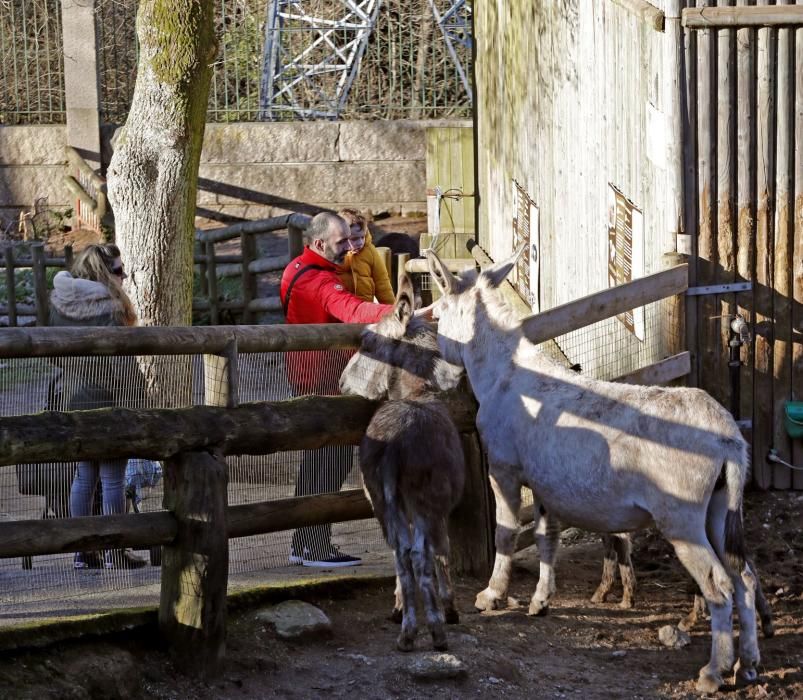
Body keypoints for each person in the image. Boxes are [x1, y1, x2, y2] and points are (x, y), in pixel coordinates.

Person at [280, 212, 396, 568]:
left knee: (317, 461)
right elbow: (352, 309)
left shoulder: (297, 267)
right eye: (341, 242)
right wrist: (405, 312)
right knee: (329, 462)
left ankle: (304, 543)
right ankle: (315, 546)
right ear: (319, 243)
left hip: (308, 376)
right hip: (325, 381)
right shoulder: (317, 281)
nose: (350, 248)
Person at [49, 243, 147, 570]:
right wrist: (139, 408)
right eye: (119, 271)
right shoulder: (111, 308)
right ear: (105, 273)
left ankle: (84, 550)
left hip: (72, 398)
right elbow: (124, 367)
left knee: (84, 475)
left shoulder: (60, 303)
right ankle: (116, 549)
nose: (124, 277)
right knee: (113, 480)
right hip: (108, 400)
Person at [336, 208, 395, 304]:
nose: (360, 242)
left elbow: (382, 283)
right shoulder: (335, 253)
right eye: (354, 239)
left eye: (362, 237)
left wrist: (390, 309)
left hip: (365, 309)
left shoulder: (370, 251)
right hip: (342, 309)